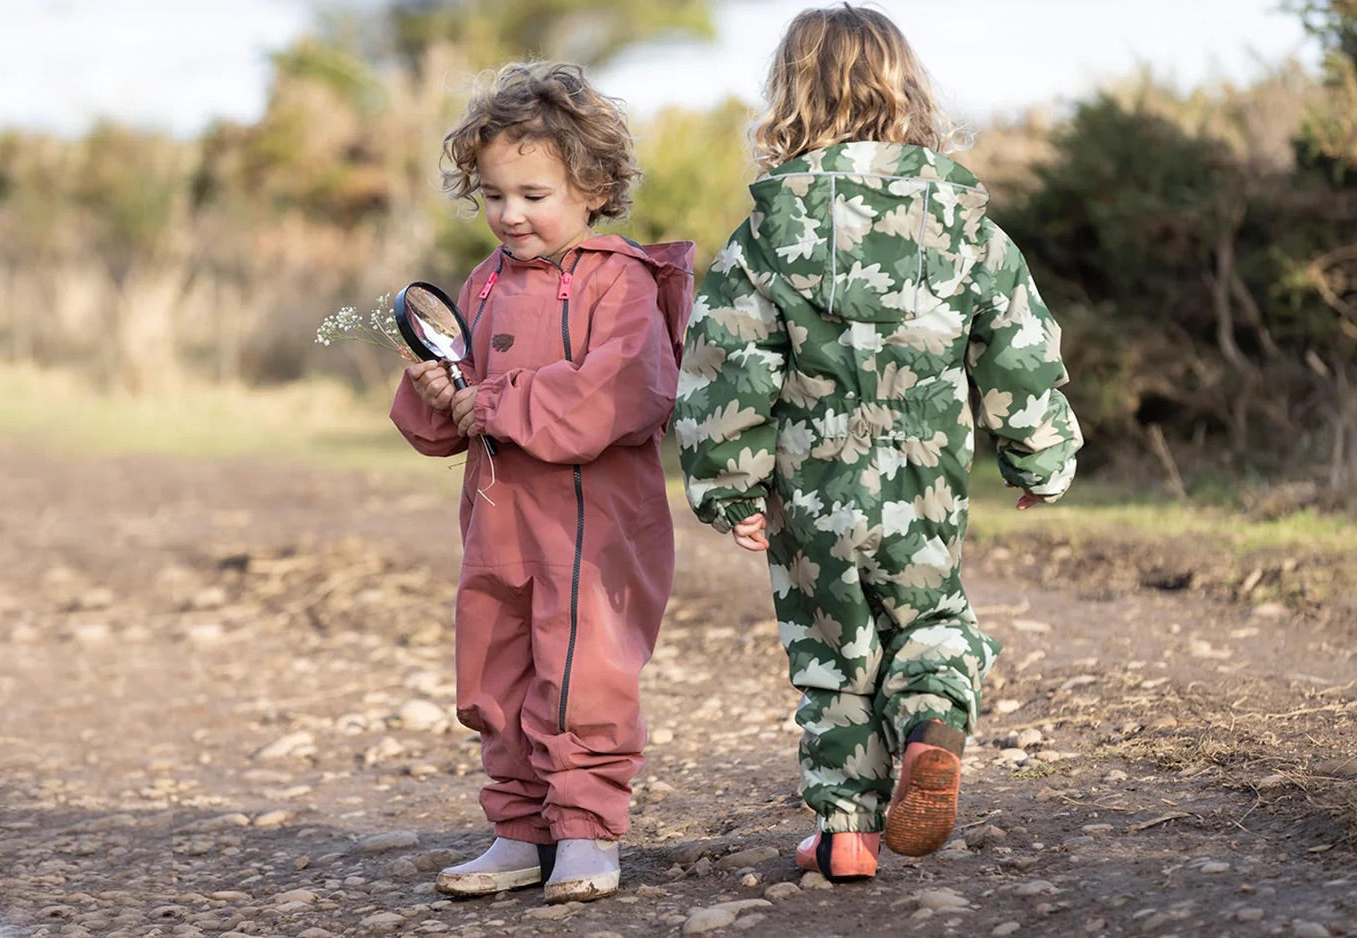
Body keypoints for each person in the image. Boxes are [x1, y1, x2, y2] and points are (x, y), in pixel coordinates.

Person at [675, 4, 1083, 883]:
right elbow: (1016, 347)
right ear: (906, 94)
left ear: (788, 98)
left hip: (812, 484)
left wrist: (730, 489)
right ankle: (934, 723)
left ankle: (845, 836)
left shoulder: (767, 235)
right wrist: (1038, 454)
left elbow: (726, 366)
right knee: (930, 620)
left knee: (832, 650)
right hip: (926, 478)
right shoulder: (970, 225)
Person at [391, 61, 694, 904]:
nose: (510, 214)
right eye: (492, 195)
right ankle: (518, 830)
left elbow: (619, 395)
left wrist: (485, 401)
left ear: (594, 186)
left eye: (532, 194)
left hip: (597, 529)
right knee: (497, 670)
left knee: (585, 672)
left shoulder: (621, 279)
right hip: (498, 523)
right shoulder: (483, 282)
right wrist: (436, 397)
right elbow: (443, 419)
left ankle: (587, 831)